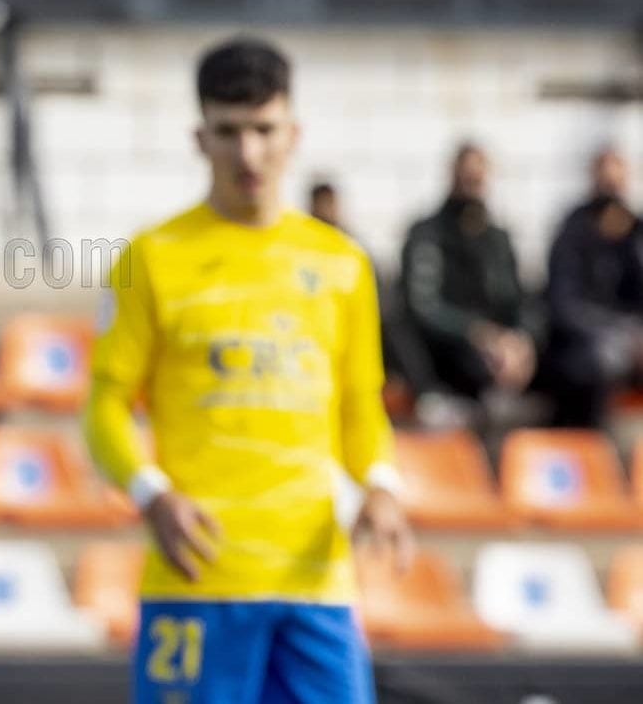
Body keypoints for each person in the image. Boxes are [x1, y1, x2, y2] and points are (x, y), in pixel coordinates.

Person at [84, 38, 411, 704]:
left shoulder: (343, 265)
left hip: (315, 585)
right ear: (199, 137)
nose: (249, 153)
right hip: (198, 583)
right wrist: (151, 494)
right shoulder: (152, 258)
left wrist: (379, 484)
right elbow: (105, 403)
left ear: (294, 133)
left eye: (264, 129)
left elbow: (359, 403)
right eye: (229, 132)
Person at [400, 143, 538, 427]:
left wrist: (520, 341)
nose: (473, 184)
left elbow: (518, 299)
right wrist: (476, 332)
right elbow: (423, 306)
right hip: (449, 352)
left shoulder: (497, 238)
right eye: (467, 177)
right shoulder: (428, 234)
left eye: (478, 177)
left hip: (498, 351)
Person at [540, 146, 643, 428]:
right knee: (596, 363)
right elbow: (563, 305)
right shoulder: (572, 233)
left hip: (629, 341)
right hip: (582, 346)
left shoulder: (635, 234)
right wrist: (619, 335)